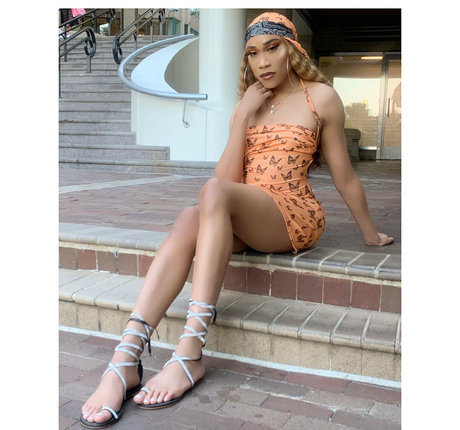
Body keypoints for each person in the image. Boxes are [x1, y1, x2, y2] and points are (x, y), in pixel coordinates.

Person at [80, 12, 394, 427]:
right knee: (190, 216)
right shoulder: (246, 105)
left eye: (272, 48)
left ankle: (190, 350)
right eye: (252, 53)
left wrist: (370, 234)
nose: (262, 62)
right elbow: (227, 182)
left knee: (209, 195)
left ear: (292, 49)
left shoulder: (321, 97)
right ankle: (126, 358)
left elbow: (344, 174)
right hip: (244, 211)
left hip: (292, 214)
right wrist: (243, 115)